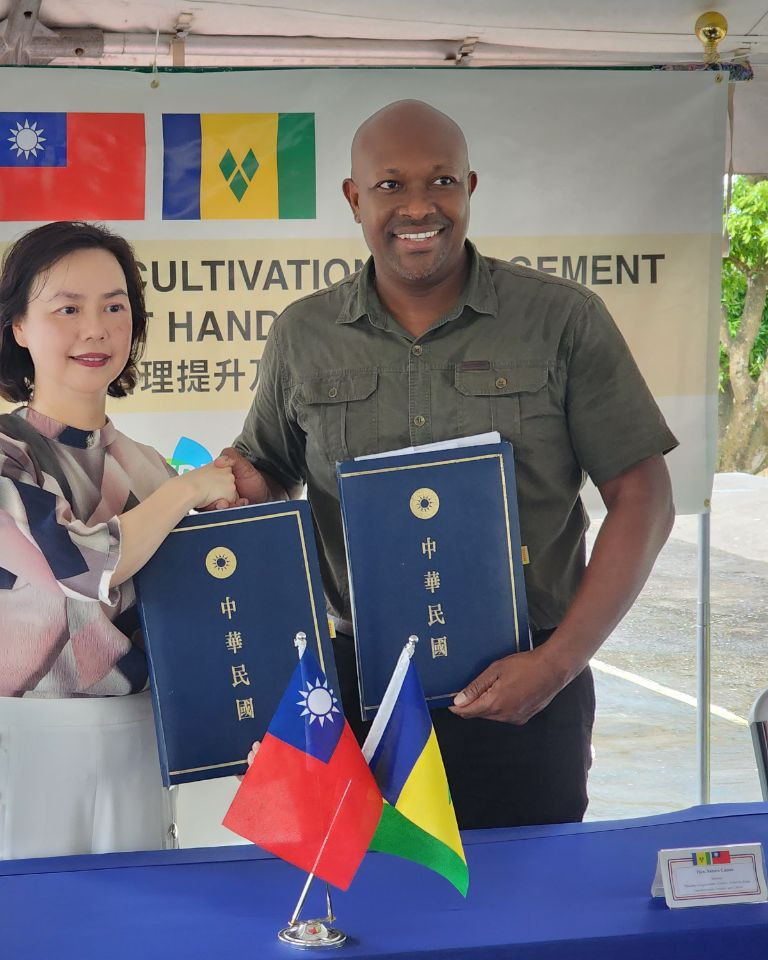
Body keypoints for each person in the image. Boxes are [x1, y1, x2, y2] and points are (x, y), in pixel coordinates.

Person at [219, 100, 676, 830]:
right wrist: (232, 485)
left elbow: (644, 495)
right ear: (353, 198)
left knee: (521, 925)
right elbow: (269, 469)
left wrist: (557, 666)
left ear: (470, 186)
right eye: (390, 186)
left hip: (526, 693)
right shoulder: (305, 334)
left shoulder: (561, 320)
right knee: (356, 918)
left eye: (441, 182)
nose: (418, 206)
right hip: (353, 697)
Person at [0, 221, 237, 862]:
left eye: (114, 306)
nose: (95, 329)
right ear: (17, 326)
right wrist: (186, 494)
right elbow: (81, 563)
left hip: (139, 738)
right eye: (67, 308)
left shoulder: (148, 465)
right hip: (20, 739)